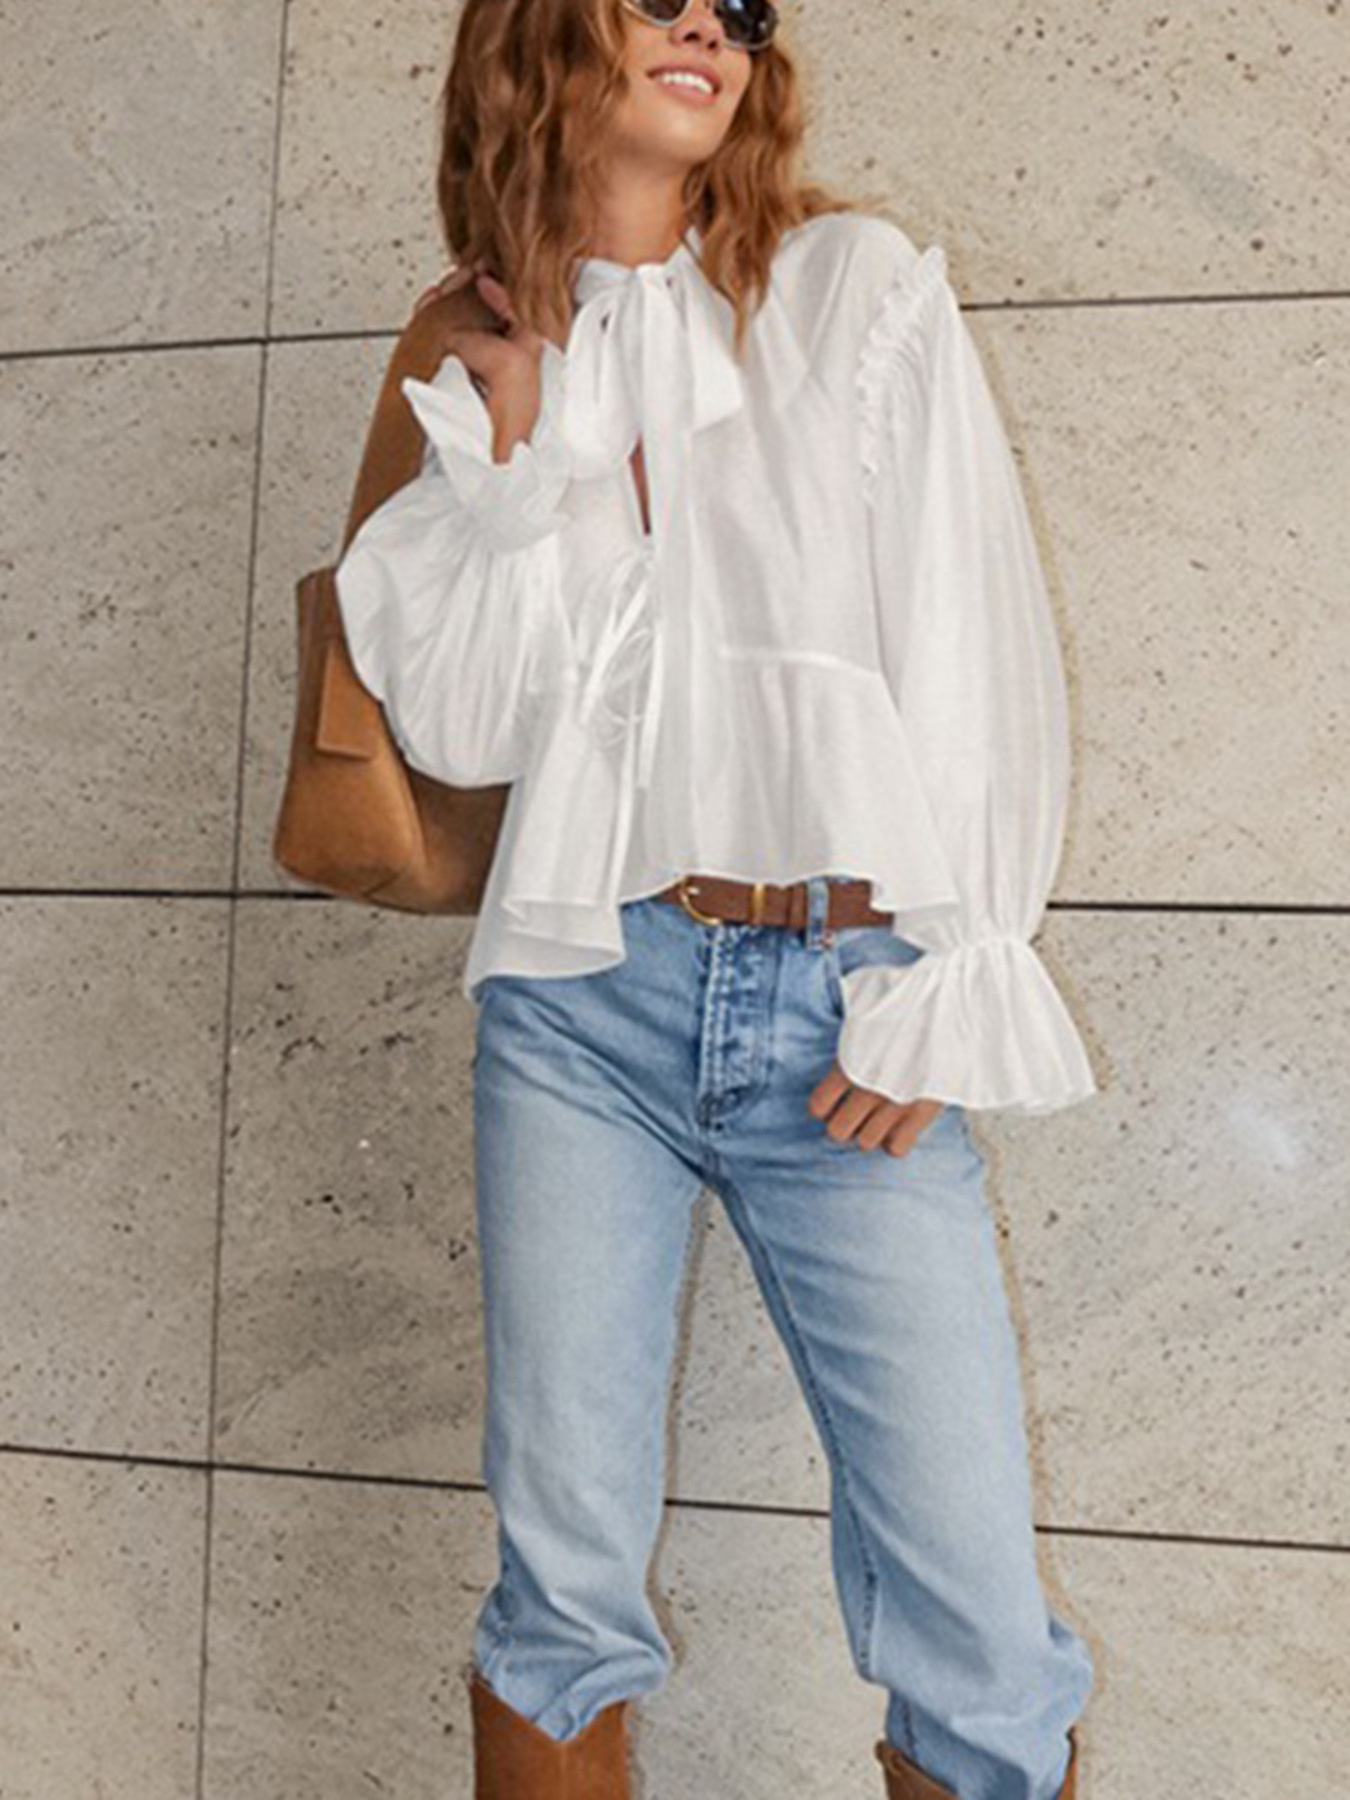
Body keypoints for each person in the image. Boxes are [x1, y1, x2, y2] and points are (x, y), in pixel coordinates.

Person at [334, 1, 1098, 1795]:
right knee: (559, 1597)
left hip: (844, 1008)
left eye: (740, 8)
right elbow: (463, 725)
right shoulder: (479, 341)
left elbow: (968, 635)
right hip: (579, 1004)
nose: (709, 24)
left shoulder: (849, 288)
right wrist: (514, 461)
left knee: (981, 1638)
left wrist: (953, 976)